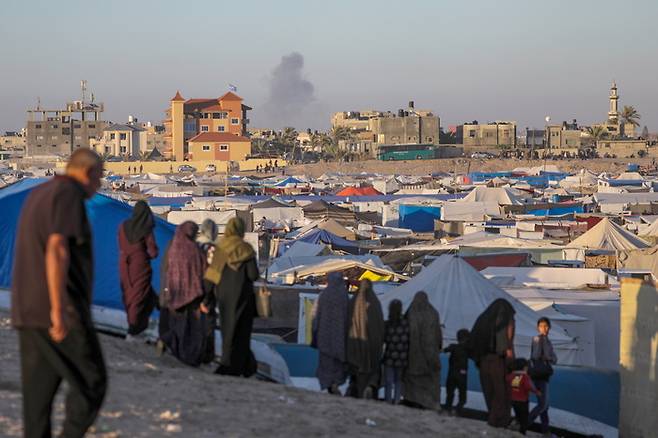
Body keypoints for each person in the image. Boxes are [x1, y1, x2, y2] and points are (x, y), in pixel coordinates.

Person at [12, 148, 107, 438]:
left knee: (38, 396)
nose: (100, 185)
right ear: (88, 173)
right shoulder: (69, 194)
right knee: (92, 383)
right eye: (100, 178)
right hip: (60, 311)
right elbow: (56, 248)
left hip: (27, 311)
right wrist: (59, 309)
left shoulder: (40, 193)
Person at [205, 217, 259, 376]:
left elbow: (212, 276)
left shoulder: (221, 248)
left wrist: (206, 298)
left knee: (228, 331)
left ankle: (227, 364)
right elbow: (253, 275)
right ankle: (241, 366)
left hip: (225, 298)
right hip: (245, 298)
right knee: (243, 333)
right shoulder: (247, 249)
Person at [158, 221, 213, 367]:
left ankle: (173, 350)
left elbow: (164, 268)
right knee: (191, 329)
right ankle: (190, 356)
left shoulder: (172, 246)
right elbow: (204, 271)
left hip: (173, 294)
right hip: (193, 296)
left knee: (175, 325)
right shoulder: (195, 249)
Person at [468, 298, 516, 428]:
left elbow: (474, 340)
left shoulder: (484, 319)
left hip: (484, 361)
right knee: (502, 393)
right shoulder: (505, 319)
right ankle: (497, 421)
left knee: (489, 392)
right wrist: (508, 351)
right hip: (499, 361)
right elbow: (507, 336)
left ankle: (494, 418)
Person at [118, 200, 159, 340]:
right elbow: (153, 252)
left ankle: (136, 325)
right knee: (139, 295)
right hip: (140, 265)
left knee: (130, 293)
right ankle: (134, 327)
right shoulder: (146, 228)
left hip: (124, 264)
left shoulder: (123, 226)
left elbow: (121, 244)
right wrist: (142, 254)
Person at [403, 291, 442, 410]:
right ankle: (428, 404)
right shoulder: (433, 313)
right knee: (429, 383)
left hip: (412, 356)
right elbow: (436, 335)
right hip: (429, 355)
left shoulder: (411, 312)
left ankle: (412, 402)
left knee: (412, 382)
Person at [346, 279, 385, 399]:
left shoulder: (353, 302)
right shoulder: (375, 303)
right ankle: (370, 388)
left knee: (356, 372)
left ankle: (357, 391)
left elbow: (347, 322)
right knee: (372, 371)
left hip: (355, 344)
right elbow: (379, 325)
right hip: (372, 345)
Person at [312, 272, 349, 394]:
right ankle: (335, 383)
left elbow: (317, 316)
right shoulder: (343, 296)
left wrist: (315, 332)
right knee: (338, 364)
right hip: (340, 337)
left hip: (325, 337)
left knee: (326, 364)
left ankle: (328, 384)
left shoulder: (324, 295)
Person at [528, 317, 558, 435]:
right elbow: (535, 355)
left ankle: (545, 431)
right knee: (543, 405)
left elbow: (554, 359)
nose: (544, 328)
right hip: (539, 375)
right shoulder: (537, 339)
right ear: (538, 328)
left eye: (546, 326)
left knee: (545, 405)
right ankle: (524, 423)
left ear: (549, 327)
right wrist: (547, 356)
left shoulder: (548, 341)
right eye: (541, 326)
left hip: (542, 374)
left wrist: (549, 357)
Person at [382, 299, 409, 404]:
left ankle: (388, 401)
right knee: (398, 381)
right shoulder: (405, 324)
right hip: (402, 358)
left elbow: (384, 339)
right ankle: (397, 401)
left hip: (389, 357)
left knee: (388, 382)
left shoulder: (388, 324)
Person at [507, 358, 541, 435]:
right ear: (524, 367)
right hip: (523, 401)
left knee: (518, 415)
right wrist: (537, 392)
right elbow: (529, 386)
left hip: (513, 400)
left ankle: (515, 425)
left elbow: (507, 380)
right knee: (524, 418)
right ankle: (522, 432)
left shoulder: (511, 375)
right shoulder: (525, 376)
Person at [444, 328, 470, 414]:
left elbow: (445, 350)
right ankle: (458, 409)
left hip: (451, 373)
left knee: (450, 394)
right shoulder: (467, 349)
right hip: (462, 374)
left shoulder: (453, 347)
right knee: (462, 396)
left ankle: (448, 408)